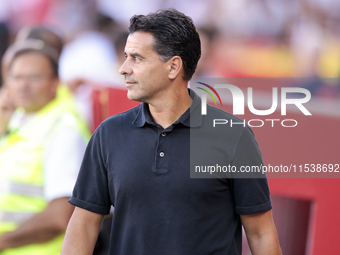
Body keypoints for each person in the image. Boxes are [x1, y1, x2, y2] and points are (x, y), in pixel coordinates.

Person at [61, 9, 282, 255]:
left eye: (137, 58)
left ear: (173, 66)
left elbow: (260, 232)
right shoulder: (108, 134)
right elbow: (83, 224)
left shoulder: (233, 135)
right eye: (126, 57)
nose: (124, 68)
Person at [0, 41, 90, 254]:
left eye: (34, 78)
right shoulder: (19, 119)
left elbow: (60, 216)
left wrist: (3, 241)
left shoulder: (63, 130)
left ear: (55, 83)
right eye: (16, 78)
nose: (23, 86)